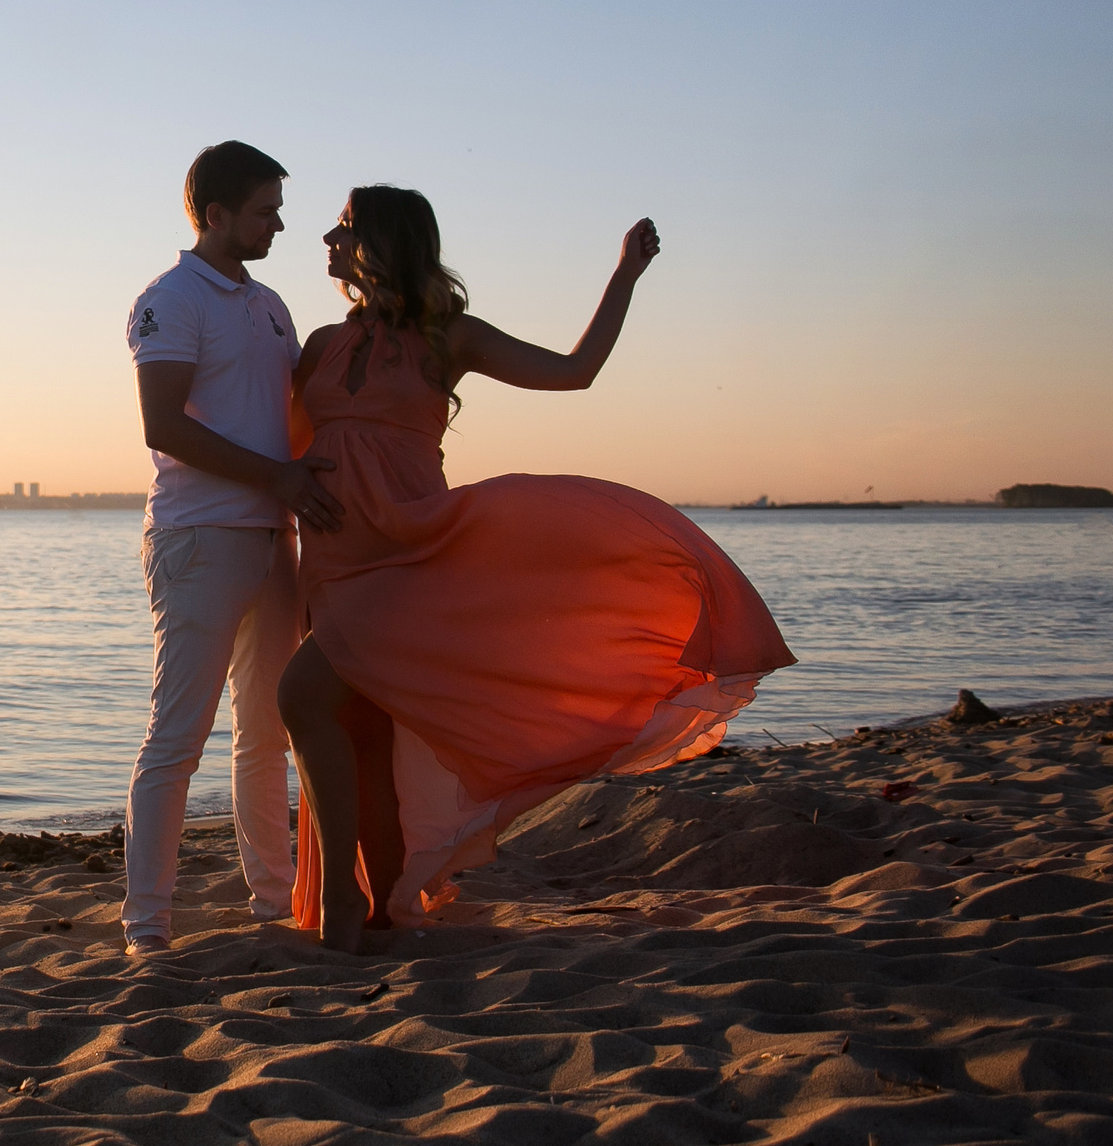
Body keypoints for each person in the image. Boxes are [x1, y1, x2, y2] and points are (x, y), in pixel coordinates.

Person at [277, 185, 796, 951]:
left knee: (300, 697)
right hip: (332, 558)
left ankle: (344, 905)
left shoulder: (450, 336)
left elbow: (575, 369)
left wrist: (624, 274)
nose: (327, 236)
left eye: (345, 227)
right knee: (364, 738)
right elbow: (286, 446)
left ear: (387, 243)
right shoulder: (321, 345)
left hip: (410, 556)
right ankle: (381, 902)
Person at [121, 141, 346, 958]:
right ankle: (146, 925)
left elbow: (290, 413)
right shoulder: (171, 300)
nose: (279, 223)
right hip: (197, 535)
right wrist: (279, 480)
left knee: (267, 729)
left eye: (277, 208)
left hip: (272, 539)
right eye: (264, 210)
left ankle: (270, 900)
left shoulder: (272, 304)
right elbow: (164, 425)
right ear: (214, 215)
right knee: (178, 736)